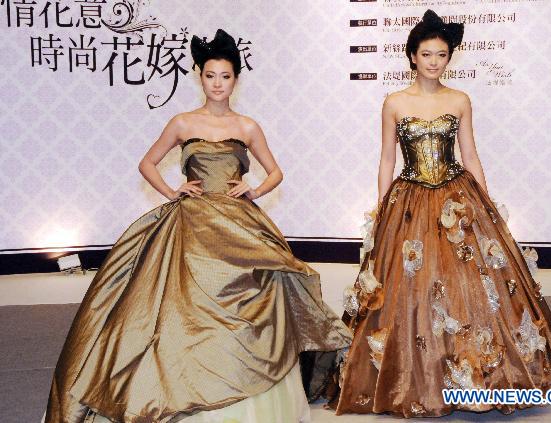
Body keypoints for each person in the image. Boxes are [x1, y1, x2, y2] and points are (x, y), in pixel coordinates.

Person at [43, 29, 352, 423]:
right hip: (191, 222)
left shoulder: (247, 127)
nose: (218, 84)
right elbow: (147, 162)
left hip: (239, 224)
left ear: (235, 79)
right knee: (179, 305)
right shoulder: (182, 122)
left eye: (225, 76)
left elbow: (276, 172)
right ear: (199, 76)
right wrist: (173, 191)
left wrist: (253, 188)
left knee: (259, 292)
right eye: (210, 76)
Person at [330, 10, 551, 417]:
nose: (434, 61)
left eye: (442, 54)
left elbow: (471, 155)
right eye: (426, 54)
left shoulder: (459, 100)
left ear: (449, 58)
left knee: (470, 286)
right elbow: (386, 159)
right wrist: (381, 211)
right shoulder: (393, 102)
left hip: (457, 198)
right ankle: (414, 376)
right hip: (408, 202)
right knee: (409, 285)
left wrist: (488, 205)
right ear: (411, 56)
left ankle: (482, 373)